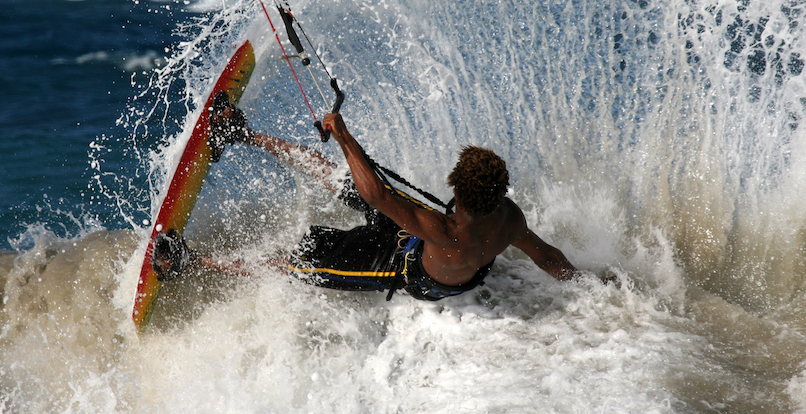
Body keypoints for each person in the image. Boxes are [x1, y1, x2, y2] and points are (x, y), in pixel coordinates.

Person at [152, 92, 585, 300]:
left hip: (401, 269)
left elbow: (377, 195)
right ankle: (241, 134)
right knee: (342, 179)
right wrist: (590, 288)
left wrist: (343, 135)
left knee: (295, 261)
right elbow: (548, 258)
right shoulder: (508, 216)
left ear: (455, 189)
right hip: (417, 239)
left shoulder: (444, 228)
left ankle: (189, 263)